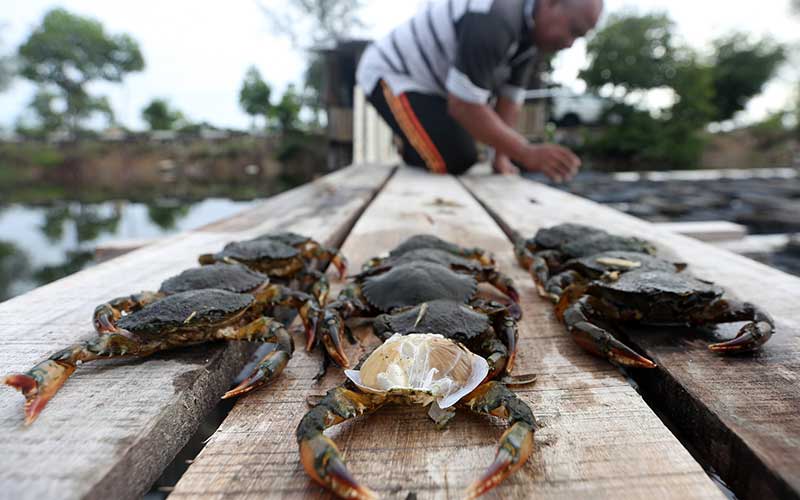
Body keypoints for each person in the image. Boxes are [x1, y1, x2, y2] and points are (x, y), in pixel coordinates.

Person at [356, 0, 603, 180]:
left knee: (465, 151)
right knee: (455, 159)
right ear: (551, 3)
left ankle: (420, 135)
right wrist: (525, 152)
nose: (570, 43)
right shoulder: (494, 17)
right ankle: (413, 142)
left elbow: (510, 99)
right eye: (573, 30)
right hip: (393, 73)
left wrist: (502, 156)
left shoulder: (530, 39)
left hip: (438, 88)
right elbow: (463, 105)